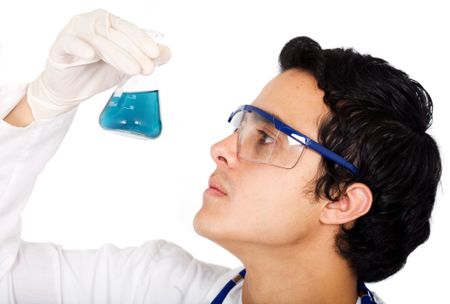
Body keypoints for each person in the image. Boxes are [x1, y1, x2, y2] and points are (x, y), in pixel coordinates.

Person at [0, 8, 441, 304]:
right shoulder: (154, 285)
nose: (220, 149)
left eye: (267, 137)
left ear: (343, 202)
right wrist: (39, 107)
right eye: (243, 126)